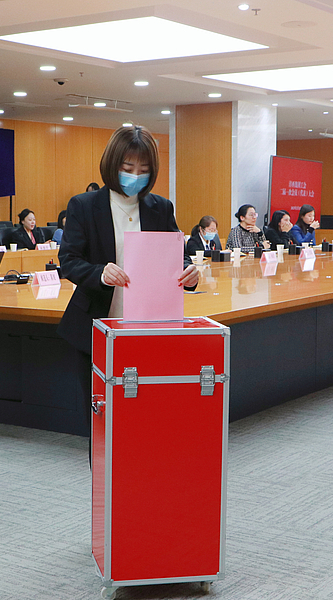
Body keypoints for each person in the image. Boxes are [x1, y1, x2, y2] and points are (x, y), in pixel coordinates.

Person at [58, 125, 199, 439]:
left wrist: (188, 272)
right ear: (113, 164)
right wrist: (100, 273)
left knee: (143, 414)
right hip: (96, 326)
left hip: (147, 327)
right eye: (128, 168)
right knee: (101, 417)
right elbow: (68, 261)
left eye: (144, 170)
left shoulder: (161, 208)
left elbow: (177, 256)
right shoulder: (84, 205)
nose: (135, 175)